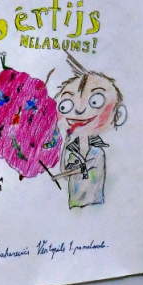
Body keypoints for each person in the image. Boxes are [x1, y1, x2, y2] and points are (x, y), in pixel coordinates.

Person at [51, 55, 127, 208]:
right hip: (74, 202)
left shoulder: (97, 152)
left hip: (94, 203)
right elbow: (66, 170)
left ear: (118, 115)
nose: (79, 110)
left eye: (95, 101)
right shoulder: (71, 152)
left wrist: (68, 172)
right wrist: (65, 144)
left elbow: (88, 170)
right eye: (66, 105)